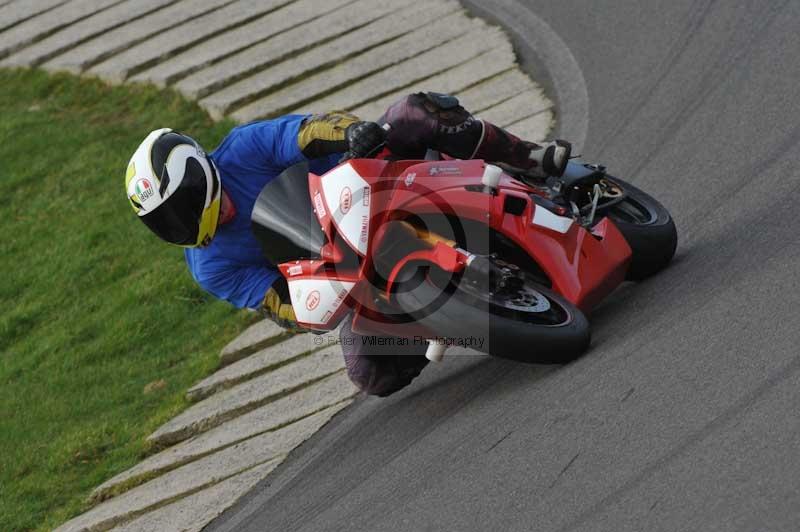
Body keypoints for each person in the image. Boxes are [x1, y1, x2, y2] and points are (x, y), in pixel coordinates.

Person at [125, 92, 571, 396]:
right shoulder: (209, 267)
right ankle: (449, 318)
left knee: (412, 113)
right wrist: (303, 305)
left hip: (366, 187)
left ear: (196, 175)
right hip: (346, 269)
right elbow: (272, 302)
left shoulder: (243, 148)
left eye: (178, 206)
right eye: (163, 220)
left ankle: (530, 159)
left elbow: (307, 132)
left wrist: (351, 134)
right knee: (368, 374)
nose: (178, 223)